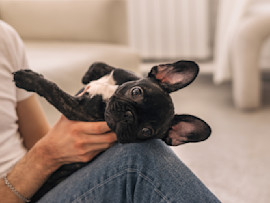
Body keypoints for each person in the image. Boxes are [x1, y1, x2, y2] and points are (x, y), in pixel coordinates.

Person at [0, 20, 220, 203]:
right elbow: (43, 150)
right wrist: (47, 154)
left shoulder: (5, 37)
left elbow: (35, 137)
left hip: (49, 186)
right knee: (140, 160)